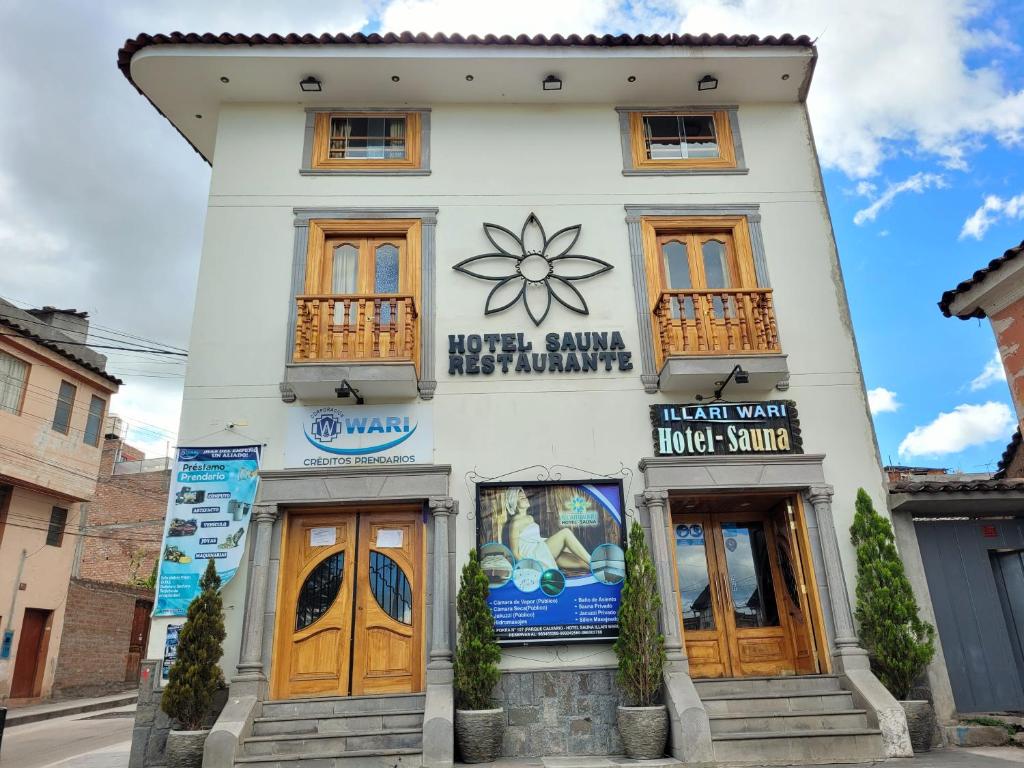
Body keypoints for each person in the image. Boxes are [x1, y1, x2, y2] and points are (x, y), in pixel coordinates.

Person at [494, 487, 591, 571]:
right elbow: (515, 553)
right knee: (566, 533)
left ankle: (600, 572)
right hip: (533, 556)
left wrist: (560, 545)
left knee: (581, 562)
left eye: (525, 496)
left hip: (541, 550)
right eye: (522, 498)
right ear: (514, 502)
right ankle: (593, 562)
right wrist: (530, 566)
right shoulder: (515, 522)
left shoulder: (530, 518)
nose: (526, 499)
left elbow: (534, 539)